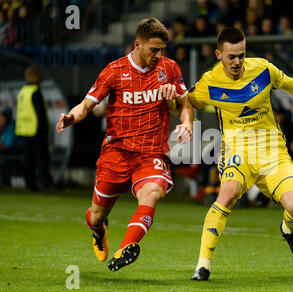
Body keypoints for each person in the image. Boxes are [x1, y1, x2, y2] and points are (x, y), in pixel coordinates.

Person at [186, 27, 293, 281]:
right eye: (231, 56)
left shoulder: (262, 68)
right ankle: (202, 266)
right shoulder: (209, 82)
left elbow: (290, 84)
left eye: (241, 55)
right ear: (219, 54)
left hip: (273, 150)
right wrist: (169, 99)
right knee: (226, 195)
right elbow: (184, 102)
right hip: (237, 150)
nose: (237, 61)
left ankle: (287, 230)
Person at [56, 18, 194, 272]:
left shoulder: (170, 68)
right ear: (137, 45)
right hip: (117, 153)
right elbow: (87, 105)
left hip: (151, 152)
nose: (159, 55)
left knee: (152, 193)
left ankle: (126, 248)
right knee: (96, 216)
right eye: (154, 49)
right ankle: (99, 231)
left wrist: (186, 124)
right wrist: (70, 117)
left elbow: (185, 104)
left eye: (162, 49)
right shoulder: (114, 71)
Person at [15, 65, 53, 191]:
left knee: (28, 159)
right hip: (36, 130)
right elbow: (40, 113)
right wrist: (45, 129)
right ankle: (45, 183)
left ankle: (30, 184)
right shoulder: (35, 91)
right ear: (35, 76)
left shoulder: (22, 91)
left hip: (24, 130)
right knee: (42, 158)